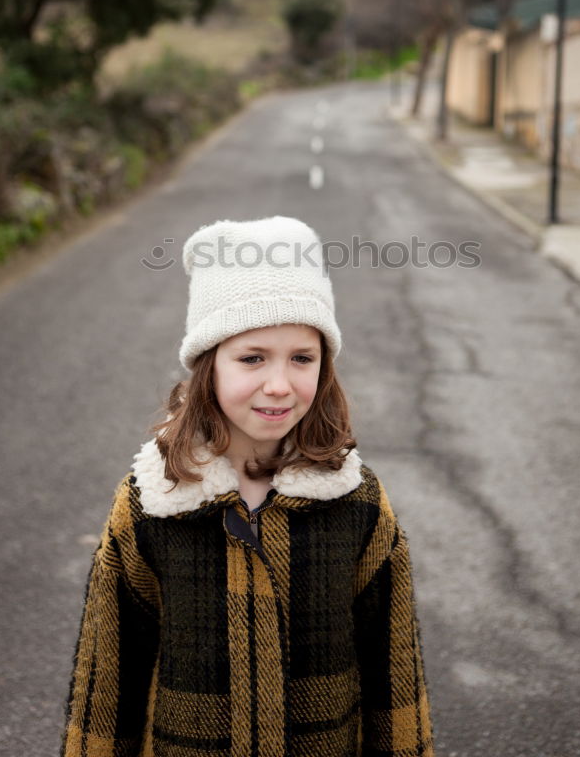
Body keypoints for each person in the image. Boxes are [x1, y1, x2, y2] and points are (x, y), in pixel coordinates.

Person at [60, 215, 436, 756]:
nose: (280, 385)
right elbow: (109, 678)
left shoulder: (358, 504)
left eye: (302, 359)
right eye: (252, 358)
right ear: (209, 366)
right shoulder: (152, 503)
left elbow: (393, 670)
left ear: (324, 367)